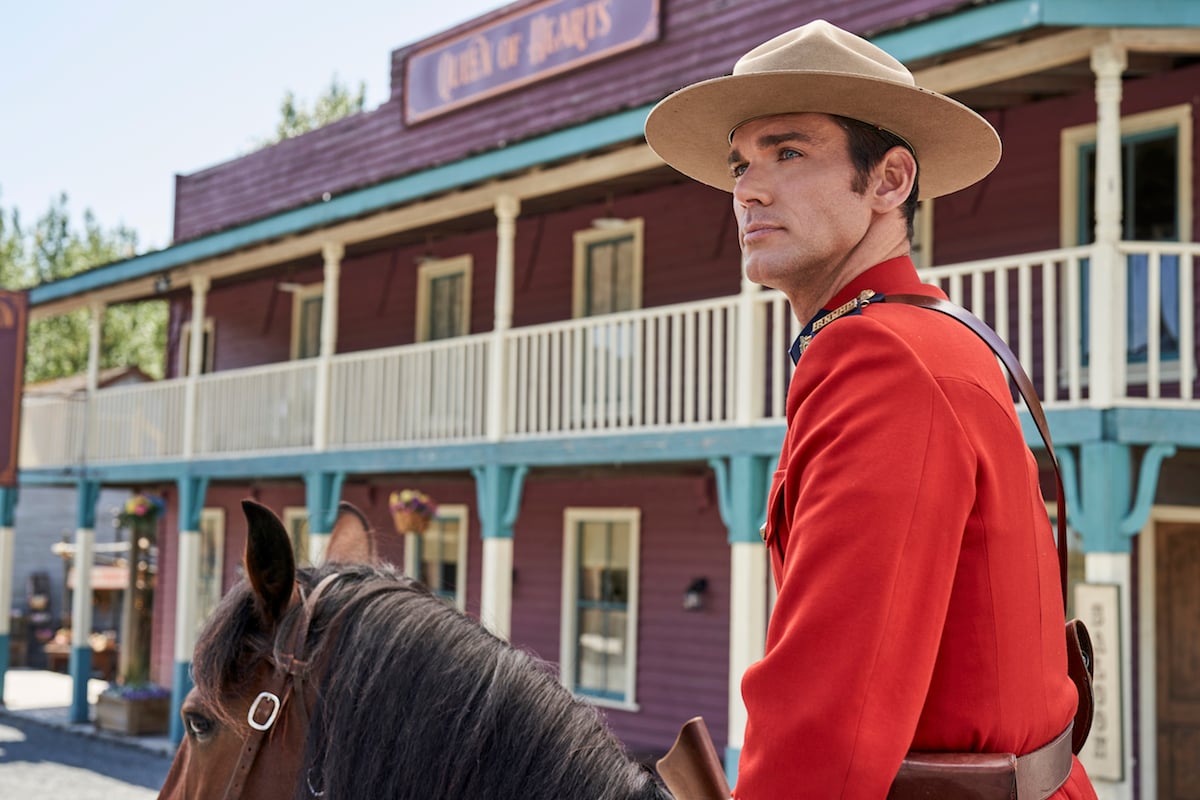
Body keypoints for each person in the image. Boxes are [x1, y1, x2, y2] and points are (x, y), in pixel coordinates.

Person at [644, 19, 1098, 800]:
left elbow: (826, 724)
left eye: (788, 153)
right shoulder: (927, 335)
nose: (748, 188)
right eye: (741, 162)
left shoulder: (881, 359)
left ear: (889, 181)